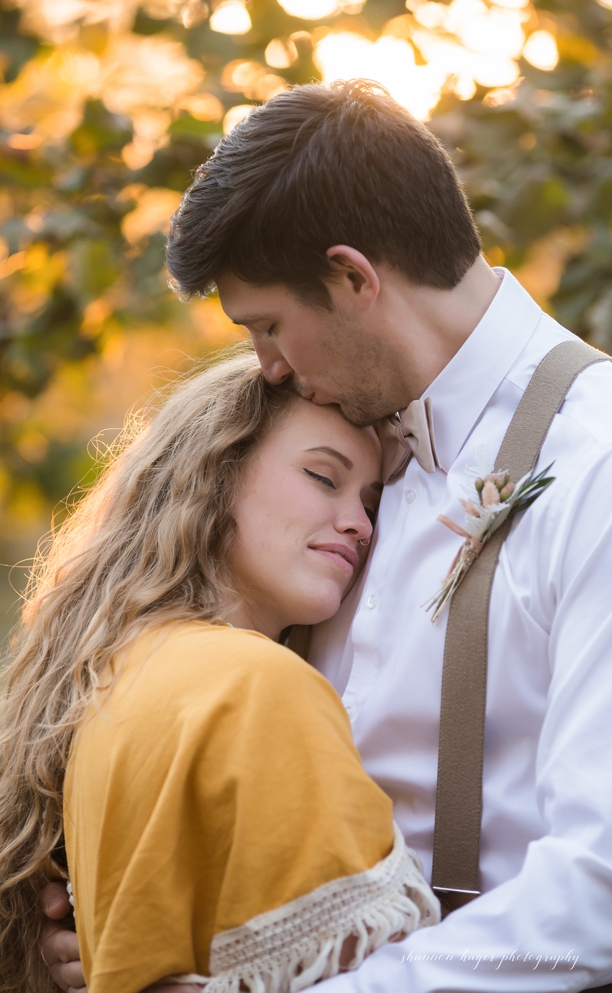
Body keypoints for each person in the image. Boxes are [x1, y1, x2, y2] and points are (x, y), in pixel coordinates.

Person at [39, 80, 612, 992]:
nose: (269, 366)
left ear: (352, 278)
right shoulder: (338, 457)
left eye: (267, 326)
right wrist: (136, 925)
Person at [0, 351, 438, 993]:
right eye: (323, 477)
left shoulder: (113, 673)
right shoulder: (255, 684)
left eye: (371, 502)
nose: (360, 524)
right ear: (215, 471)